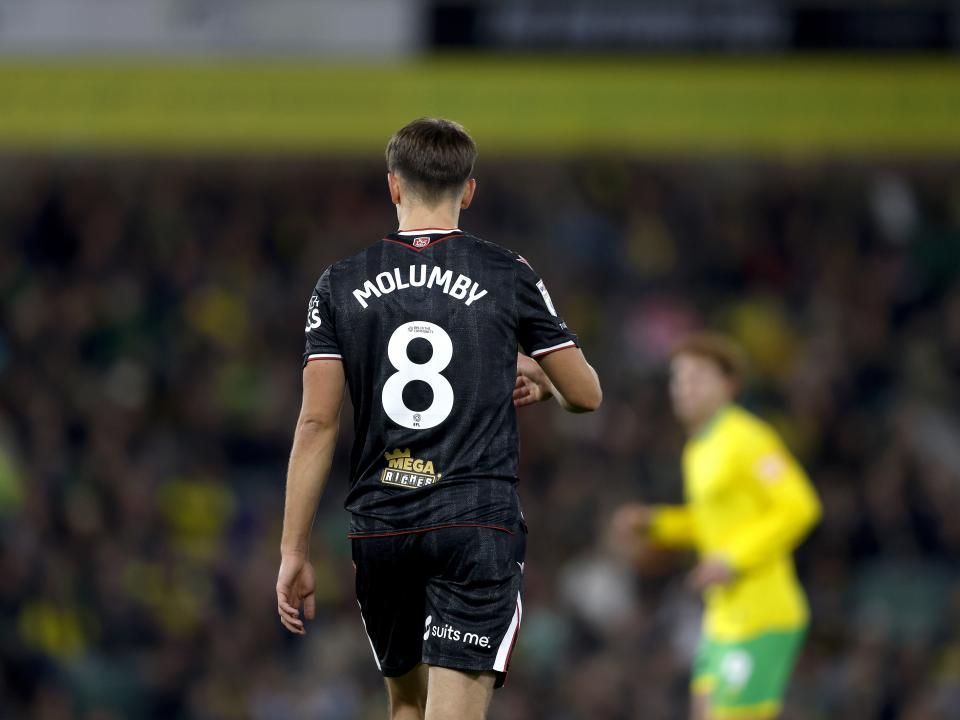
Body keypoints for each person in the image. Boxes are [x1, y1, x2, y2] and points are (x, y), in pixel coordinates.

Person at [276, 117, 601, 720]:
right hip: (473, 523)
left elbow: (316, 424)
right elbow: (586, 395)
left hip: (382, 523)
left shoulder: (339, 284)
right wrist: (540, 374)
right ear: (469, 191)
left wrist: (293, 550)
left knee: (406, 704)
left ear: (393, 186)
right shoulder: (507, 273)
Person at [613, 332, 821, 720]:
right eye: (679, 378)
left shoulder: (747, 437)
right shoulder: (698, 448)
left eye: (698, 377)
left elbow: (800, 506)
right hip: (723, 616)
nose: (685, 388)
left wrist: (732, 559)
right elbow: (708, 523)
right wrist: (655, 523)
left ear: (729, 385)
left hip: (761, 613)